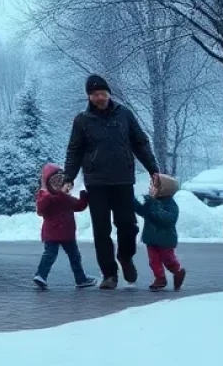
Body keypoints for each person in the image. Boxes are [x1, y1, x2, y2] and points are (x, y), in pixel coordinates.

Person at [64, 74, 160, 289]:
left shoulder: (124, 114)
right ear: (89, 97)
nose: (101, 98)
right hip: (96, 182)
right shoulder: (82, 120)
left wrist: (153, 169)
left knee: (128, 226)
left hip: (123, 180)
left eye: (104, 93)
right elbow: (74, 151)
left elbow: (140, 143)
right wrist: (68, 177)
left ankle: (125, 257)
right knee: (101, 229)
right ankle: (109, 274)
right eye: (96, 94)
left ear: (109, 93)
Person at [33, 164, 97, 290]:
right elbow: (41, 210)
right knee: (71, 256)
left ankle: (42, 275)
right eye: (56, 181)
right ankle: (80, 279)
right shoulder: (49, 197)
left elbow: (78, 206)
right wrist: (84, 196)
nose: (59, 185)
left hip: (57, 234)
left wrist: (84, 195)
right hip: (62, 234)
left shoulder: (61, 198)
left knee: (55, 255)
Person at [133, 173, 186, 293]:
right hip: (151, 238)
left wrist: (153, 203)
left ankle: (177, 272)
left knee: (168, 259)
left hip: (165, 239)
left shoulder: (170, 204)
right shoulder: (152, 202)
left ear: (163, 189)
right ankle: (160, 278)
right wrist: (134, 202)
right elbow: (144, 212)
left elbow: (166, 219)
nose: (151, 188)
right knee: (154, 261)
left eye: (154, 186)